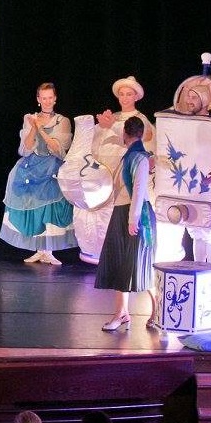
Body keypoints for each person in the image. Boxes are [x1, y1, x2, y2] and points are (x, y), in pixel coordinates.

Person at [76, 76, 158, 265]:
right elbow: (97, 142)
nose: (125, 98)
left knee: (120, 209)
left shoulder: (139, 119)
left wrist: (111, 125)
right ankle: (101, 250)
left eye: (129, 94)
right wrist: (100, 126)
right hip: (105, 176)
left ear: (136, 97)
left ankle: (122, 253)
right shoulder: (113, 117)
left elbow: (139, 138)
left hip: (125, 173)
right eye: (122, 94)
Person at [94, 116, 158, 331]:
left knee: (139, 263)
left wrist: (133, 219)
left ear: (125, 133)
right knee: (120, 262)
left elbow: (138, 191)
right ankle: (121, 313)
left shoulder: (139, 158)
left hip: (136, 215)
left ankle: (156, 310)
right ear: (141, 134)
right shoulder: (130, 155)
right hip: (122, 212)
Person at [0, 83, 75, 265]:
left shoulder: (62, 120)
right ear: (38, 99)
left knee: (49, 207)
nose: (47, 101)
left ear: (55, 99)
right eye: (43, 98)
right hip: (32, 165)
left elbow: (59, 150)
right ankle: (39, 249)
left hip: (52, 166)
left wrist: (41, 129)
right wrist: (34, 126)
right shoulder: (30, 118)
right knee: (35, 206)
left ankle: (48, 250)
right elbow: (24, 149)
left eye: (50, 97)